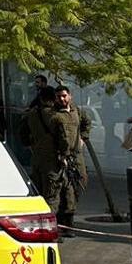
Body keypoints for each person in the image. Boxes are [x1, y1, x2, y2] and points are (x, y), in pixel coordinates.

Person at [30, 86, 89, 225]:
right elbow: (63, 137)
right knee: (55, 193)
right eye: (59, 96)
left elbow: (86, 123)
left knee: (73, 188)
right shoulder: (55, 115)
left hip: (72, 158)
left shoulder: (75, 110)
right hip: (58, 159)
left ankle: (66, 222)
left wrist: (82, 139)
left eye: (64, 96)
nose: (62, 99)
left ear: (70, 96)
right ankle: (58, 225)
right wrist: (63, 154)